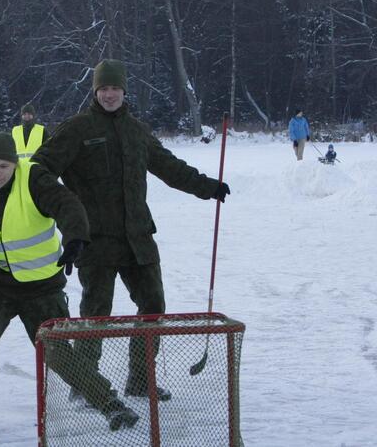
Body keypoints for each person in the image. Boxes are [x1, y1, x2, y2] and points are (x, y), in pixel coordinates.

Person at [0, 132, 139, 440]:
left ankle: (109, 403)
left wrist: (75, 238)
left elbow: (66, 204)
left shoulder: (34, 179)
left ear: (14, 164)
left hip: (42, 288)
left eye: (3, 165)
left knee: (57, 353)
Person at [31, 59, 231, 401]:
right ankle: (85, 384)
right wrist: (67, 209)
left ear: (124, 91)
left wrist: (207, 187)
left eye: (115, 88)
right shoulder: (76, 128)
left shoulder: (137, 131)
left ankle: (140, 380)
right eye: (103, 89)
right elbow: (39, 168)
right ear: (95, 91)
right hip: (96, 240)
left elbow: (169, 166)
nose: (109, 94)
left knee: (153, 306)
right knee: (97, 314)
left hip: (138, 237)